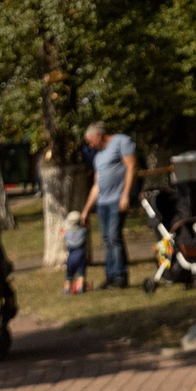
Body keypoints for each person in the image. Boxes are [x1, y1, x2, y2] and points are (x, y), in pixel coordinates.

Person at [81, 122, 138, 289]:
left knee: (114, 236)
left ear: (99, 135)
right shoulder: (98, 156)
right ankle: (110, 276)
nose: (90, 146)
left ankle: (120, 276)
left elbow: (132, 166)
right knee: (106, 239)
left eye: (91, 141)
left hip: (117, 199)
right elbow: (96, 185)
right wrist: (86, 210)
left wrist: (125, 195)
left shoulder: (121, 142)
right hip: (102, 203)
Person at [61, 209, 89, 294]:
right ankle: (80, 288)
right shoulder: (83, 231)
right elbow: (86, 227)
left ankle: (67, 289)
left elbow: (62, 235)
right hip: (81, 257)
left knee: (69, 275)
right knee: (81, 274)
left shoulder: (67, 234)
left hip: (70, 258)